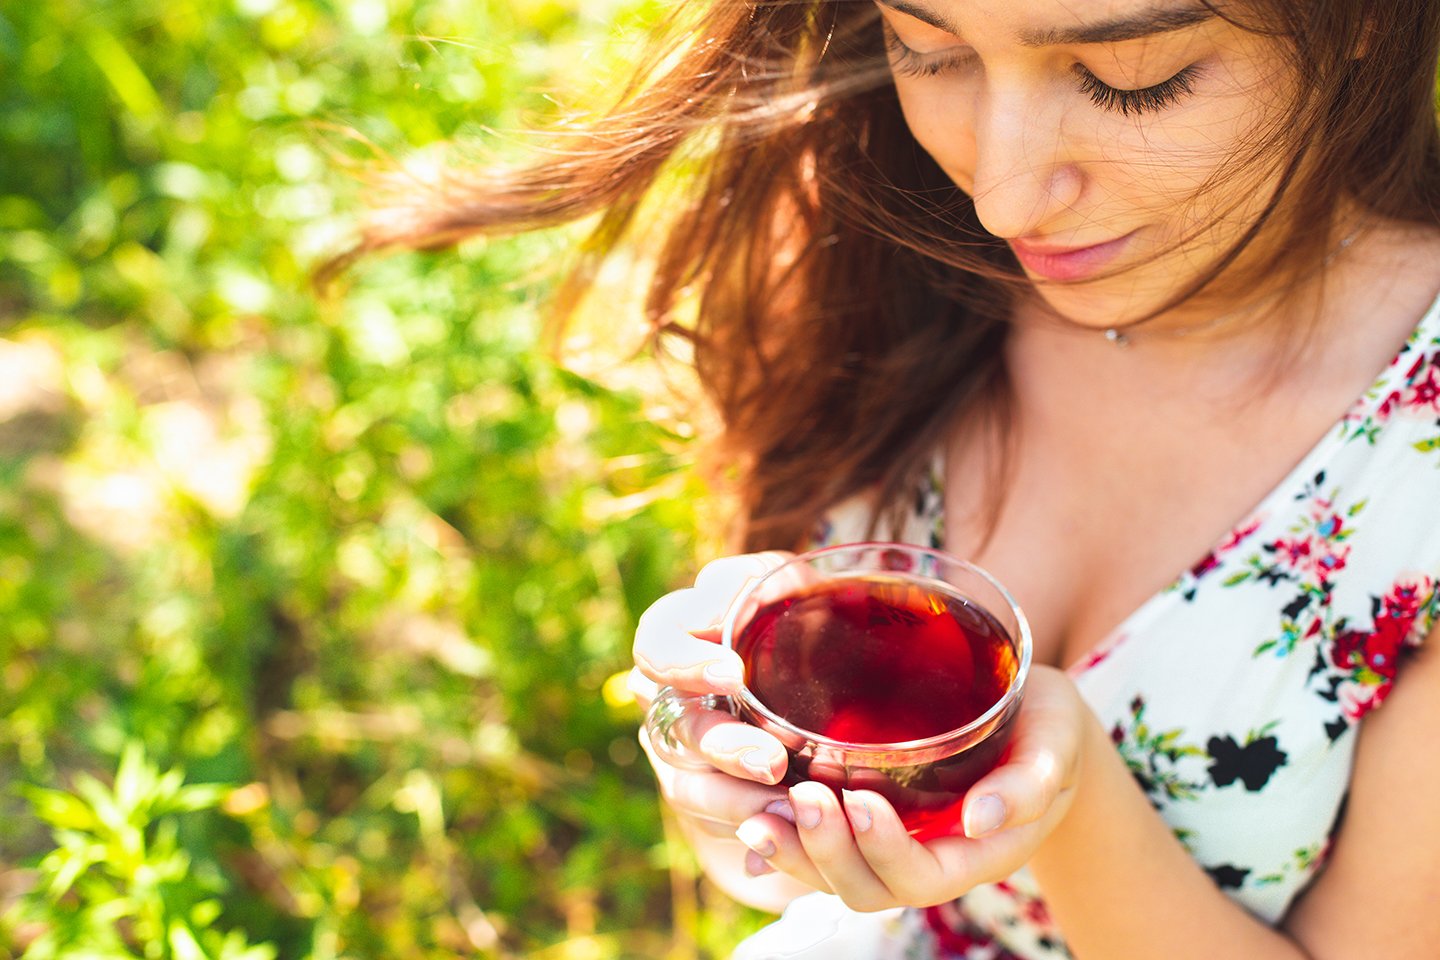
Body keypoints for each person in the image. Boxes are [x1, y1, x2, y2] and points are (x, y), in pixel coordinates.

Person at [352, 0, 1440, 956]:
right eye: (929, 48)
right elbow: (770, 878)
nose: (1004, 199)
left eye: (1130, 79)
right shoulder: (882, 238)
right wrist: (730, 781)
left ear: (1369, 17)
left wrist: (1062, 801)